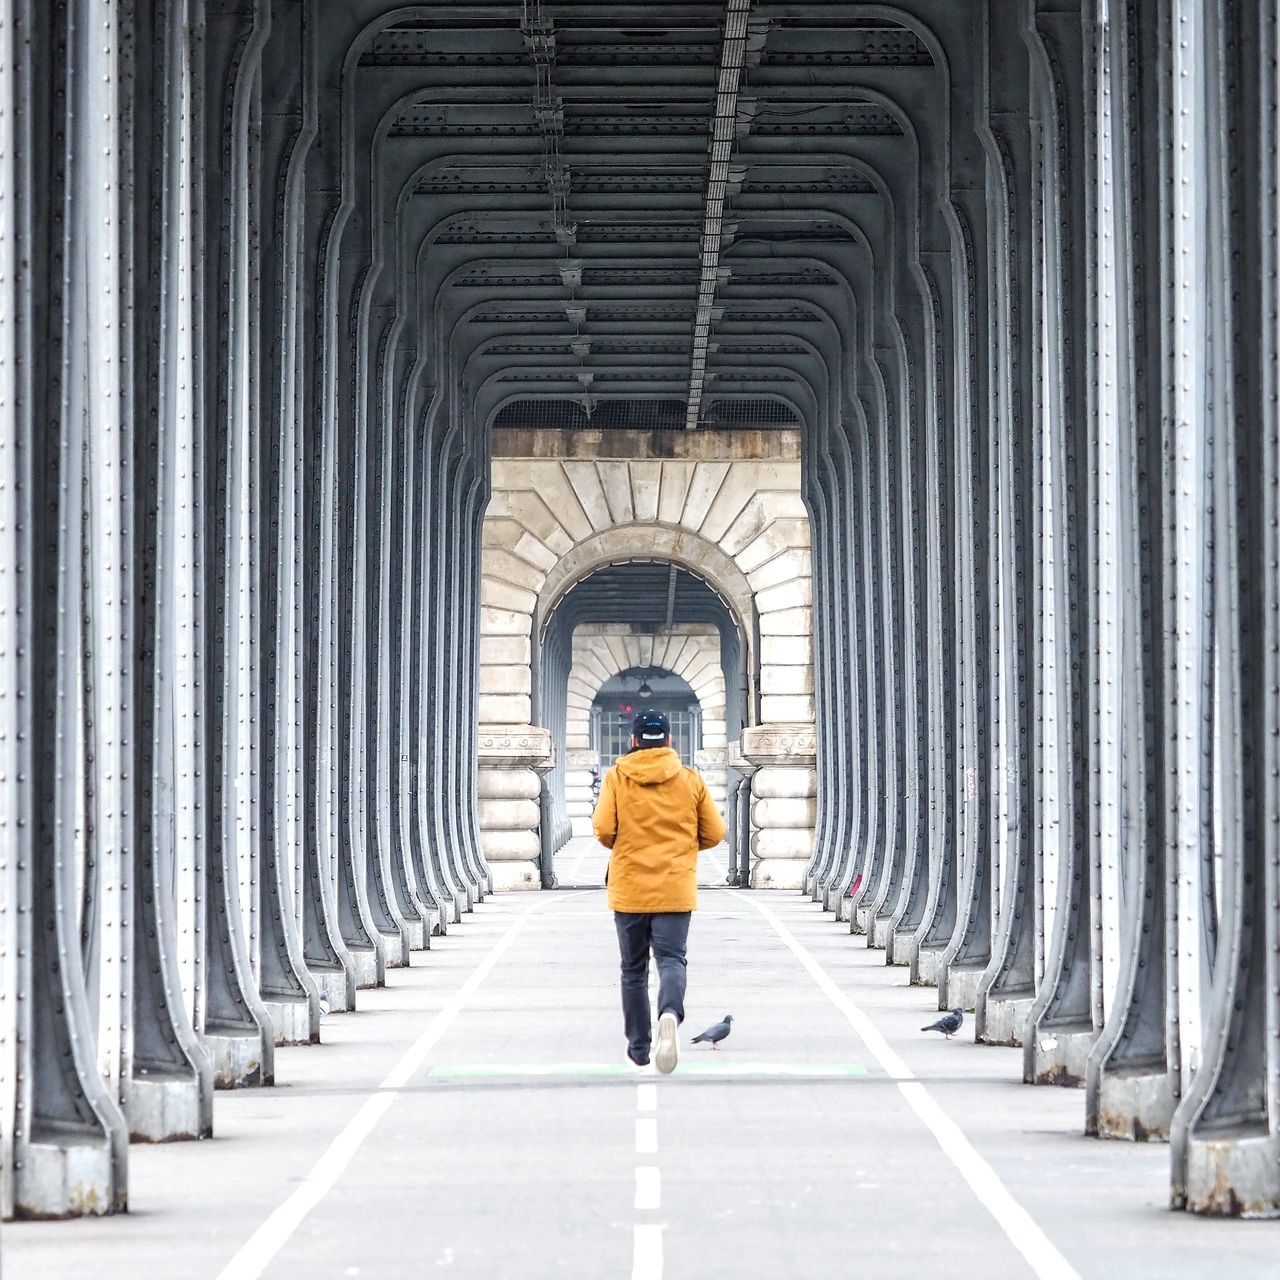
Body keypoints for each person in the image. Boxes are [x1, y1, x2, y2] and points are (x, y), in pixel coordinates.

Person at [592, 708, 726, 1074]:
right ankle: (669, 1012)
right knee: (671, 960)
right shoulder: (690, 780)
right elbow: (715, 833)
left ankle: (638, 1048)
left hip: (630, 889)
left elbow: (603, 829)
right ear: (669, 740)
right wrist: (680, 847)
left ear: (633, 740)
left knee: (633, 970)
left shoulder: (617, 777)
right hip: (675, 887)